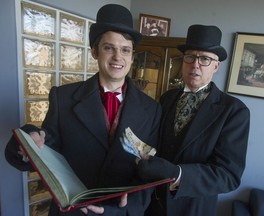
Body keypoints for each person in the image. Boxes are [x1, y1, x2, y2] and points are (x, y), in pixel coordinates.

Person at [5, 4, 161, 216]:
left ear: (132, 56)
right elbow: (47, 146)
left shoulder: (152, 109)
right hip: (72, 211)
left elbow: (149, 173)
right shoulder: (63, 97)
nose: (118, 57)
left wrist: (125, 210)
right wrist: (26, 141)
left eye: (125, 49)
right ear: (95, 52)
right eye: (109, 48)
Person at [136, 24, 250, 216]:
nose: (195, 65)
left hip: (192, 209)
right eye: (190, 57)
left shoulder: (234, 111)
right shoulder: (167, 98)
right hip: (152, 204)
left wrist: (177, 174)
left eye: (204, 59)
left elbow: (228, 176)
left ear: (216, 66)